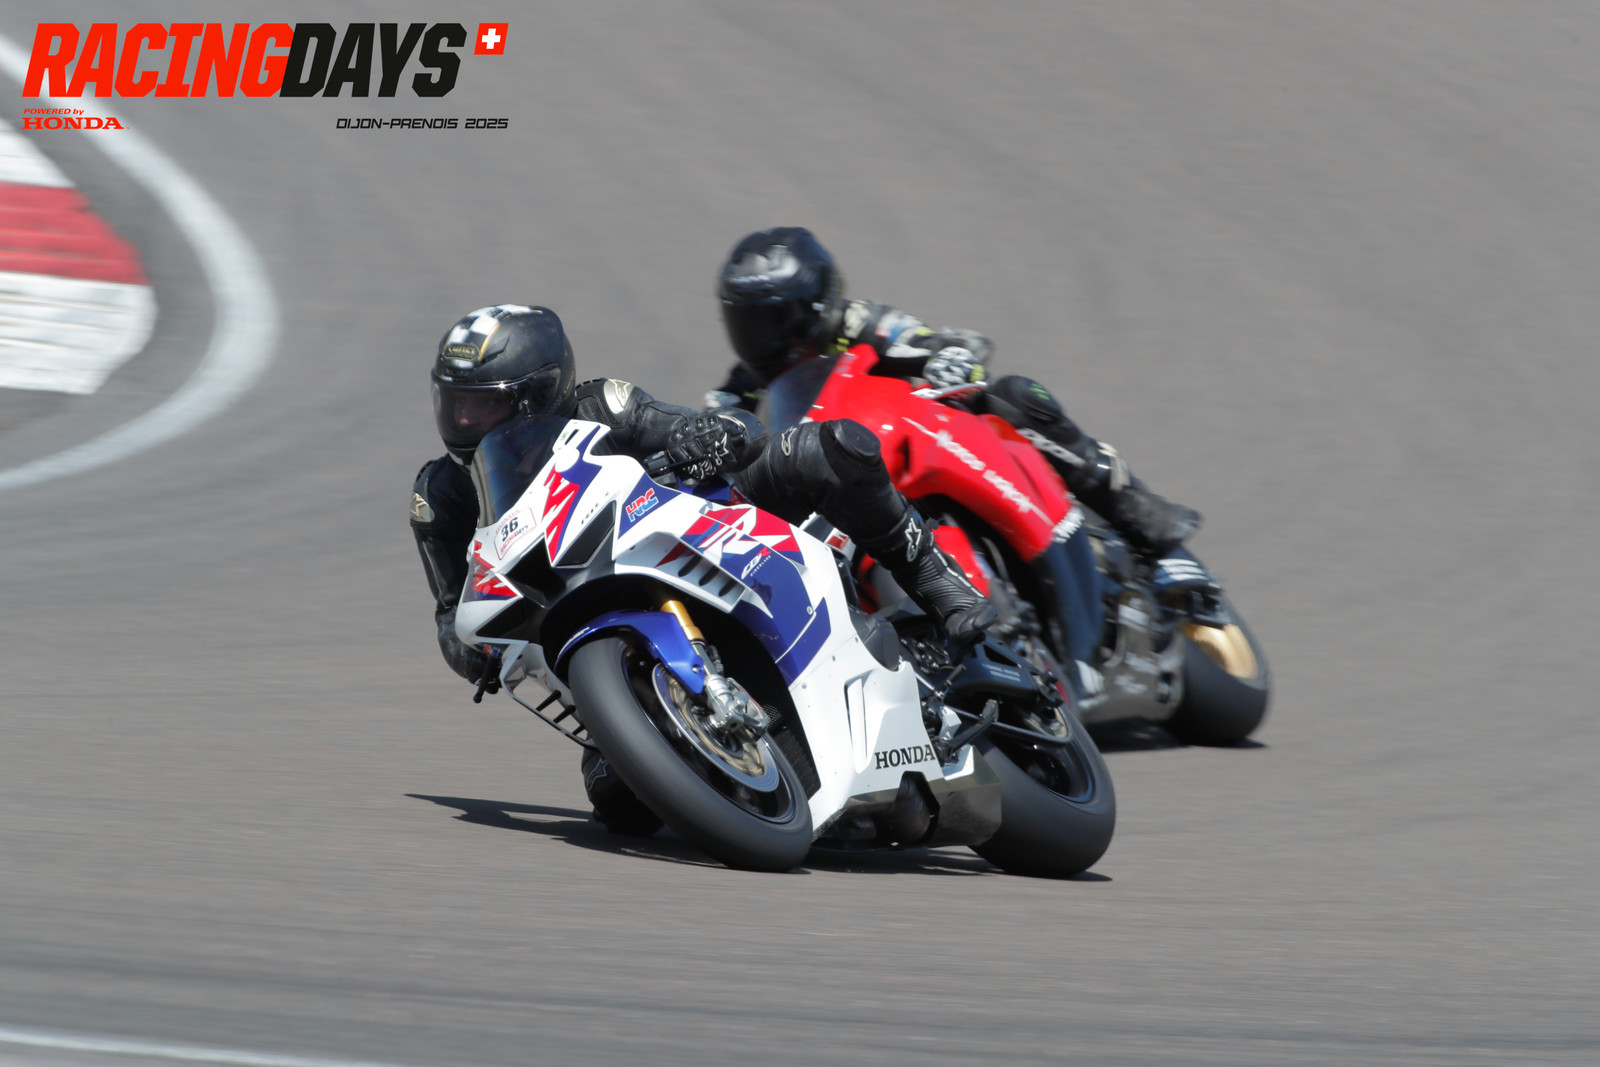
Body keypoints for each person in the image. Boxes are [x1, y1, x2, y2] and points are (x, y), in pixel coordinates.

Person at [411, 303, 996, 831]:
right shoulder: (440, 496)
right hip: (583, 629)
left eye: (484, 404)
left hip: (689, 530)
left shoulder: (604, 405)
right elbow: (449, 613)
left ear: (540, 392)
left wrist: (710, 436)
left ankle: (938, 582)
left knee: (830, 449)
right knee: (618, 804)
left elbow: (716, 429)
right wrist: (476, 652)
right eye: (455, 405)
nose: (465, 421)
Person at [707, 227, 1201, 559]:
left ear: (817, 302)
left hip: (928, 439)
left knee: (1013, 396)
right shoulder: (744, 385)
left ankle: (1128, 502)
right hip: (855, 488)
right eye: (748, 325)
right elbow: (718, 428)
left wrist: (949, 356)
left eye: (778, 320)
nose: (767, 340)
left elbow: (941, 341)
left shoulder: (859, 323)